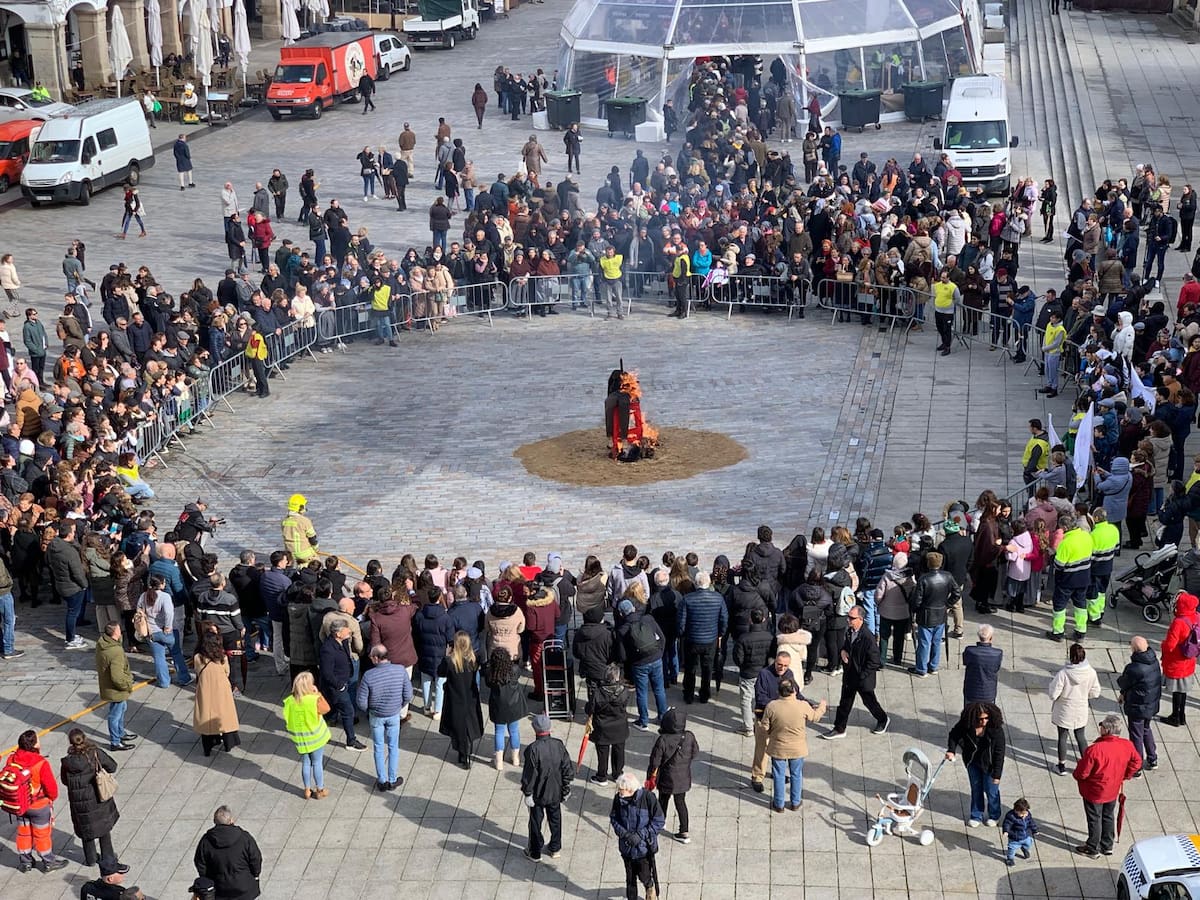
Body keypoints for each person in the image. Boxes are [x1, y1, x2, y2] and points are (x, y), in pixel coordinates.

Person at [1073, 715, 1142, 858]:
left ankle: (1092, 848)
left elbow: (1082, 773)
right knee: (1108, 816)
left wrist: (1079, 777)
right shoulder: (1127, 745)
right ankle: (1107, 845)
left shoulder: (1095, 750)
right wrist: (1125, 775)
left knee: (1094, 818)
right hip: (1113, 788)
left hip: (1094, 791)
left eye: (1102, 726)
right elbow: (1137, 762)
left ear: (1106, 730)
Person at [2, 730, 67, 871]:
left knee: (23, 833)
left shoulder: (12, 758)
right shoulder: (41, 763)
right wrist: (51, 798)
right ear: (34, 745)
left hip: (19, 804)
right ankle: (48, 861)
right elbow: (51, 788)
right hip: (39, 805)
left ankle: (26, 861)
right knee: (42, 834)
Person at [59, 728, 124, 869]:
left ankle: (91, 859)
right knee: (103, 829)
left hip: (78, 801)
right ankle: (108, 858)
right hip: (97, 797)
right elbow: (112, 766)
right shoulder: (95, 753)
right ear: (84, 738)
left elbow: (64, 781)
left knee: (86, 829)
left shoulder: (67, 762)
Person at [821, 605, 889, 739]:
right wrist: (843, 651)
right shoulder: (849, 631)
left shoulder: (868, 638)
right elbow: (847, 646)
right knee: (844, 703)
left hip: (862, 678)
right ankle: (839, 728)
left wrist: (862, 675)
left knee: (870, 702)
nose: (848, 620)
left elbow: (874, 661)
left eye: (852, 618)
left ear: (860, 619)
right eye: (848, 616)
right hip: (850, 675)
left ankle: (883, 719)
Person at [761, 678, 827, 812]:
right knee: (796, 774)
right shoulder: (802, 705)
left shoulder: (772, 706)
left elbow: (765, 727)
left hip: (778, 747)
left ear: (779, 691)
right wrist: (822, 707)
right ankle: (795, 802)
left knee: (778, 775)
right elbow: (815, 717)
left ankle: (779, 804)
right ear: (794, 691)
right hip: (797, 748)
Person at [356, 643, 413, 790]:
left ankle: (381, 780)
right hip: (394, 714)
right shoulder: (400, 670)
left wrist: (369, 710)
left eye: (371, 657)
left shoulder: (368, 676)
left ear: (376, 658)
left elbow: (361, 702)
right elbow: (408, 695)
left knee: (378, 747)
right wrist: (399, 706)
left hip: (376, 716)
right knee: (393, 747)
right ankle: (392, 780)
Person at [521, 713, 575, 862]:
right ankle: (555, 848)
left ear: (535, 729)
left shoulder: (532, 749)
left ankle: (535, 852)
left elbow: (530, 775)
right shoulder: (558, 745)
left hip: (538, 794)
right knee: (555, 819)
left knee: (535, 822)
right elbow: (567, 768)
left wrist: (528, 793)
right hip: (556, 791)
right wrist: (566, 788)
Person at [945, 702, 1006, 827]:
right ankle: (976, 815)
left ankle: (994, 815)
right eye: (980, 719)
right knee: (976, 788)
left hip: (989, 765)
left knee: (991, 791)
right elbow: (954, 735)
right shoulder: (966, 725)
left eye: (986, 718)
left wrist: (997, 775)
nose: (984, 721)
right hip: (972, 762)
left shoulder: (996, 730)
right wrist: (951, 750)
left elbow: (999, 754)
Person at [609, 772, 666, 900]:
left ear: (630, 789)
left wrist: (640, 835)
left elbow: (659, 821)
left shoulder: (648, 798)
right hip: (627, 848)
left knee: (644, 875)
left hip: (644, 849)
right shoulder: (618, 799)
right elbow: (614, 818)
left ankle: (649, 887)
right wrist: (625, 834)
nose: (619, 792)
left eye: (621, 789)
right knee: (630, 879)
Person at [645, 707, 698, 843]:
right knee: (680, 803)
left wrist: (650, 776)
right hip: (683, 777)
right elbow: (695, 752)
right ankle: (684, 831)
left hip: (666, 777)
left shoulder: (663, 740)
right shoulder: (689, 736)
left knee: (663, 800)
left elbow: (655, 762)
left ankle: (660, 822)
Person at [1048, 643, 1101, 775]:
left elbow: (1053, 694)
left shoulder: (1063, 673)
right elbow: (1095, 692)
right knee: (1081, 736)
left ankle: (1061, 766)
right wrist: (1084, 696)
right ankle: (1087, 764)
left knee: (1062, 736)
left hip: (1064, 709)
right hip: (1080, 708)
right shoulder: (1091, 672)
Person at [676, 571, 728, 706]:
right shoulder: (718, 598)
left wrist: (682, 634)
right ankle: (705, 694)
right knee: (707, 668)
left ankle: (688, 694)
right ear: (709, 583)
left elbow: (681, 622)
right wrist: (720, 634)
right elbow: (724, 619)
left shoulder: (687, 599)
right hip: (710, 640)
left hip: (692, 639)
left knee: (690, 668)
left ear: (695, 583)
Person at [193, 806, 262, 900]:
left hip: (220, 890)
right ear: (231, 820)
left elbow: (200, 863)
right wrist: (255, 875)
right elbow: (255, 859)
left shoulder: (206, 841)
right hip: (245, 889)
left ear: (214, 821)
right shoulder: (244, 838)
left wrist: (208, 880)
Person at [907, 551, 958, 677]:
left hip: (926, 614)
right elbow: (957, 593)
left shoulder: (924, 579)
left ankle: (921, 669)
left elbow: (917, 600)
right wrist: (947, 604)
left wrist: (915, 610)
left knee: (924, 643)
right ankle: (933, 666)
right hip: (941, 613)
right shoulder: (948, 576)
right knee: (936, 641)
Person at [439, 631, 484, 769]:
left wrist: (446, 654)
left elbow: (440, 672)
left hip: (455, 698)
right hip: (470, 697)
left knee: (458, 726)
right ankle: (466, 752)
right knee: (468, 724)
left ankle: (462, 753)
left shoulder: (450, 661)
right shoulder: (473, 660)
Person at [282, 671, 331, 799]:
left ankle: (307, 790)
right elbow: (326, 709)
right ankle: (320, 789)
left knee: (305, 763)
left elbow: (286, 717)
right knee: (317, 763)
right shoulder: (313, 699)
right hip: (315, 739)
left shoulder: (290, 701)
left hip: (300, 739)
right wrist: (318, 694)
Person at [1117, 635, 1161, 773]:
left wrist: (1123, 690)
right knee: (1146, 729)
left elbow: (1123, 682)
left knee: (1136, 735)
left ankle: (1136, 766)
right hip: (1151, 704)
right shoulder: (1154, 661)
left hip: (1138, 707)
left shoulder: (1135, 668)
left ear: (1134, 649)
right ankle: (1152, 758)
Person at [320, 618, 365, 751]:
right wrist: (339, 685)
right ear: (338, 633)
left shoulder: (343, 641)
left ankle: (324, 727)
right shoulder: (328, 649)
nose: (349, 631)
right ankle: (351, 741)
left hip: (344, 681)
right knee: (348, 711)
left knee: (332, 708)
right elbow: (327, 673)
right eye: (346, 630)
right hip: (336, 686)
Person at [193, 631, 241, 757]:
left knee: (206, 715)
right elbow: (227, 672)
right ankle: (229, 743)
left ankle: (208, 746)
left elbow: (197, 671)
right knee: (225, 716)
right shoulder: (222, 658)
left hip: (205, 690)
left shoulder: (198, 658)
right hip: (222, 689)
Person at [585, 662, 630, 785]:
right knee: (619, 751)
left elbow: (589, 709)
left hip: (602, 728)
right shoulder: (624, 692)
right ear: (617, 677)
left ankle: (602, 776)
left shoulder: (598, 693)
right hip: (619, 726)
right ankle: (617, 774)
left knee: (602, 753)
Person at [483, 647, 527, 771]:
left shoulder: (491, 673)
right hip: (513, 705)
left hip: (498, 706)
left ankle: (499, 761)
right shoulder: (514, 670)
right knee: (514, 731)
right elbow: (518, 675)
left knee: (499, 731)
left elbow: (487, 683)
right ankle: (515, 758)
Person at [1160, 591, 1200, 726]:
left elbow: (1170, 646)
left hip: (1176, 662)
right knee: (1183, 691)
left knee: (1176, 691)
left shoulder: (1178, 622)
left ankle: (1175, 717)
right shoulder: (1197, 616)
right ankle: (1182, 715)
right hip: (1189, 659)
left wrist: (1163, 645)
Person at [95, 622, 137, 751]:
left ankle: (120, 733)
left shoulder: (103, 644)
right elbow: (117, 677)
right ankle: (115, 742)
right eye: (119, 630)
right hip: (116, 689)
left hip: (108, 686)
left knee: (121, 708)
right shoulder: (115, 651)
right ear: (114, 633)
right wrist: (127, 685)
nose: (121, 631)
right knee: (115, 715)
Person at [962, 624, 1002, 704]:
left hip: (971, 691)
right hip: (989, 693)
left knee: (969, 711)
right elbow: (997, 667)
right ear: (991, 638)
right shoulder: (997, 653)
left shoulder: (970, 651)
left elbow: (965, 662)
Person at [281, 494, 318, 565]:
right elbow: (312, 538)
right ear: (301, 507)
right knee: (316, 564)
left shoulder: (284, 521)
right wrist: (315, 548)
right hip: (304, 552)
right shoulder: (304, 521)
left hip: (290, 553)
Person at [1001, 798, 1039, 867]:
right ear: (1016, 811)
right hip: (1015, 837)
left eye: (1025, 813)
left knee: (1029, 844)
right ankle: (1010, 859)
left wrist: (1034, 830)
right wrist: (1006, 831)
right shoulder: (1011, 816)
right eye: (1022, 814)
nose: (1024, 815)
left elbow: (1031, 822)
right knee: (1012, 849)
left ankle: (1025, 849)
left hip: (1025, 835)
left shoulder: (1027, 814)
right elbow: (1007, 824)